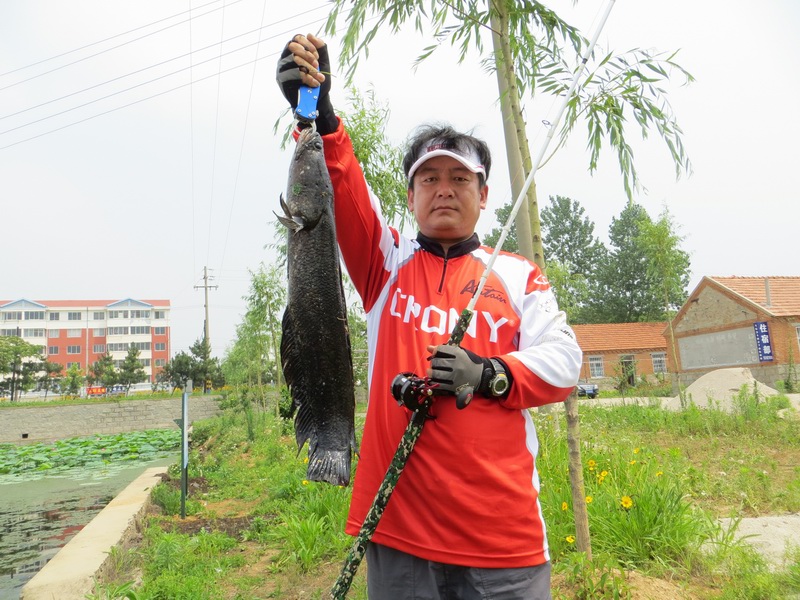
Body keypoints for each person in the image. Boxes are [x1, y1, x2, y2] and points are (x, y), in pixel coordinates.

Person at [277, 34, 582, 600]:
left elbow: (566, 362)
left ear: (483, 195)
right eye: (429, 179)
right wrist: (320, 116)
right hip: (398, 533)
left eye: (460, 179)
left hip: (503, 543)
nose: (444, 190)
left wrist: (490, 374)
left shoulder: (518, 275)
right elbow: (343, 187)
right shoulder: (385, 262)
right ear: (411, 194)